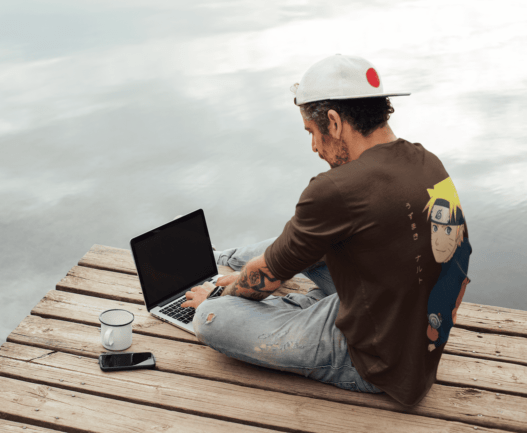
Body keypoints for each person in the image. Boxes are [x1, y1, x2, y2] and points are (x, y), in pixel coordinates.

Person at [180, 54, 472, 407]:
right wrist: (252, 274)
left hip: (375, 362)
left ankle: (244, 289)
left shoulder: (336, 188)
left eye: (312, 133)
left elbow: (268, 278)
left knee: (213, 320)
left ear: (333, 121)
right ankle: (230, 264)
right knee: (304, 243)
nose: (315, 148)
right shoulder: (426, 160)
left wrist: (218, 298)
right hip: (409, 326)